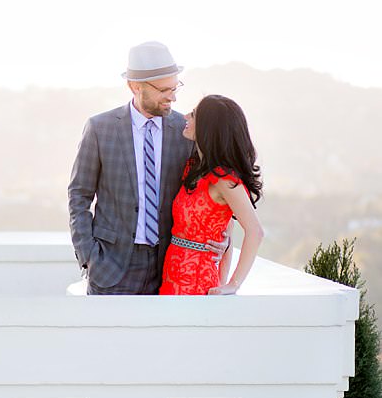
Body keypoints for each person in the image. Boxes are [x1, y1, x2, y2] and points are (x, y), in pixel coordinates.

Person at [68, 41, 224, 294]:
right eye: (164, 90)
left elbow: (211, 186)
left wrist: (222, 237)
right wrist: (88, 255)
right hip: (111, 266)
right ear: (135, 86)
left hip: (170, 266)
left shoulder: (185, 130)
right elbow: (79, 195)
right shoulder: (100, 128)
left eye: (175, 88)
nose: (172, 96)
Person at [159, 95, 264, 295]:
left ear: (209, 126)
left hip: (197, 284)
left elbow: (255, 231)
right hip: (171, 277)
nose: (186, 117)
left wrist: (232, 284)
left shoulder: (224, 178)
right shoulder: (194, 169)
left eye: (194, 114)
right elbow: (227, 228)